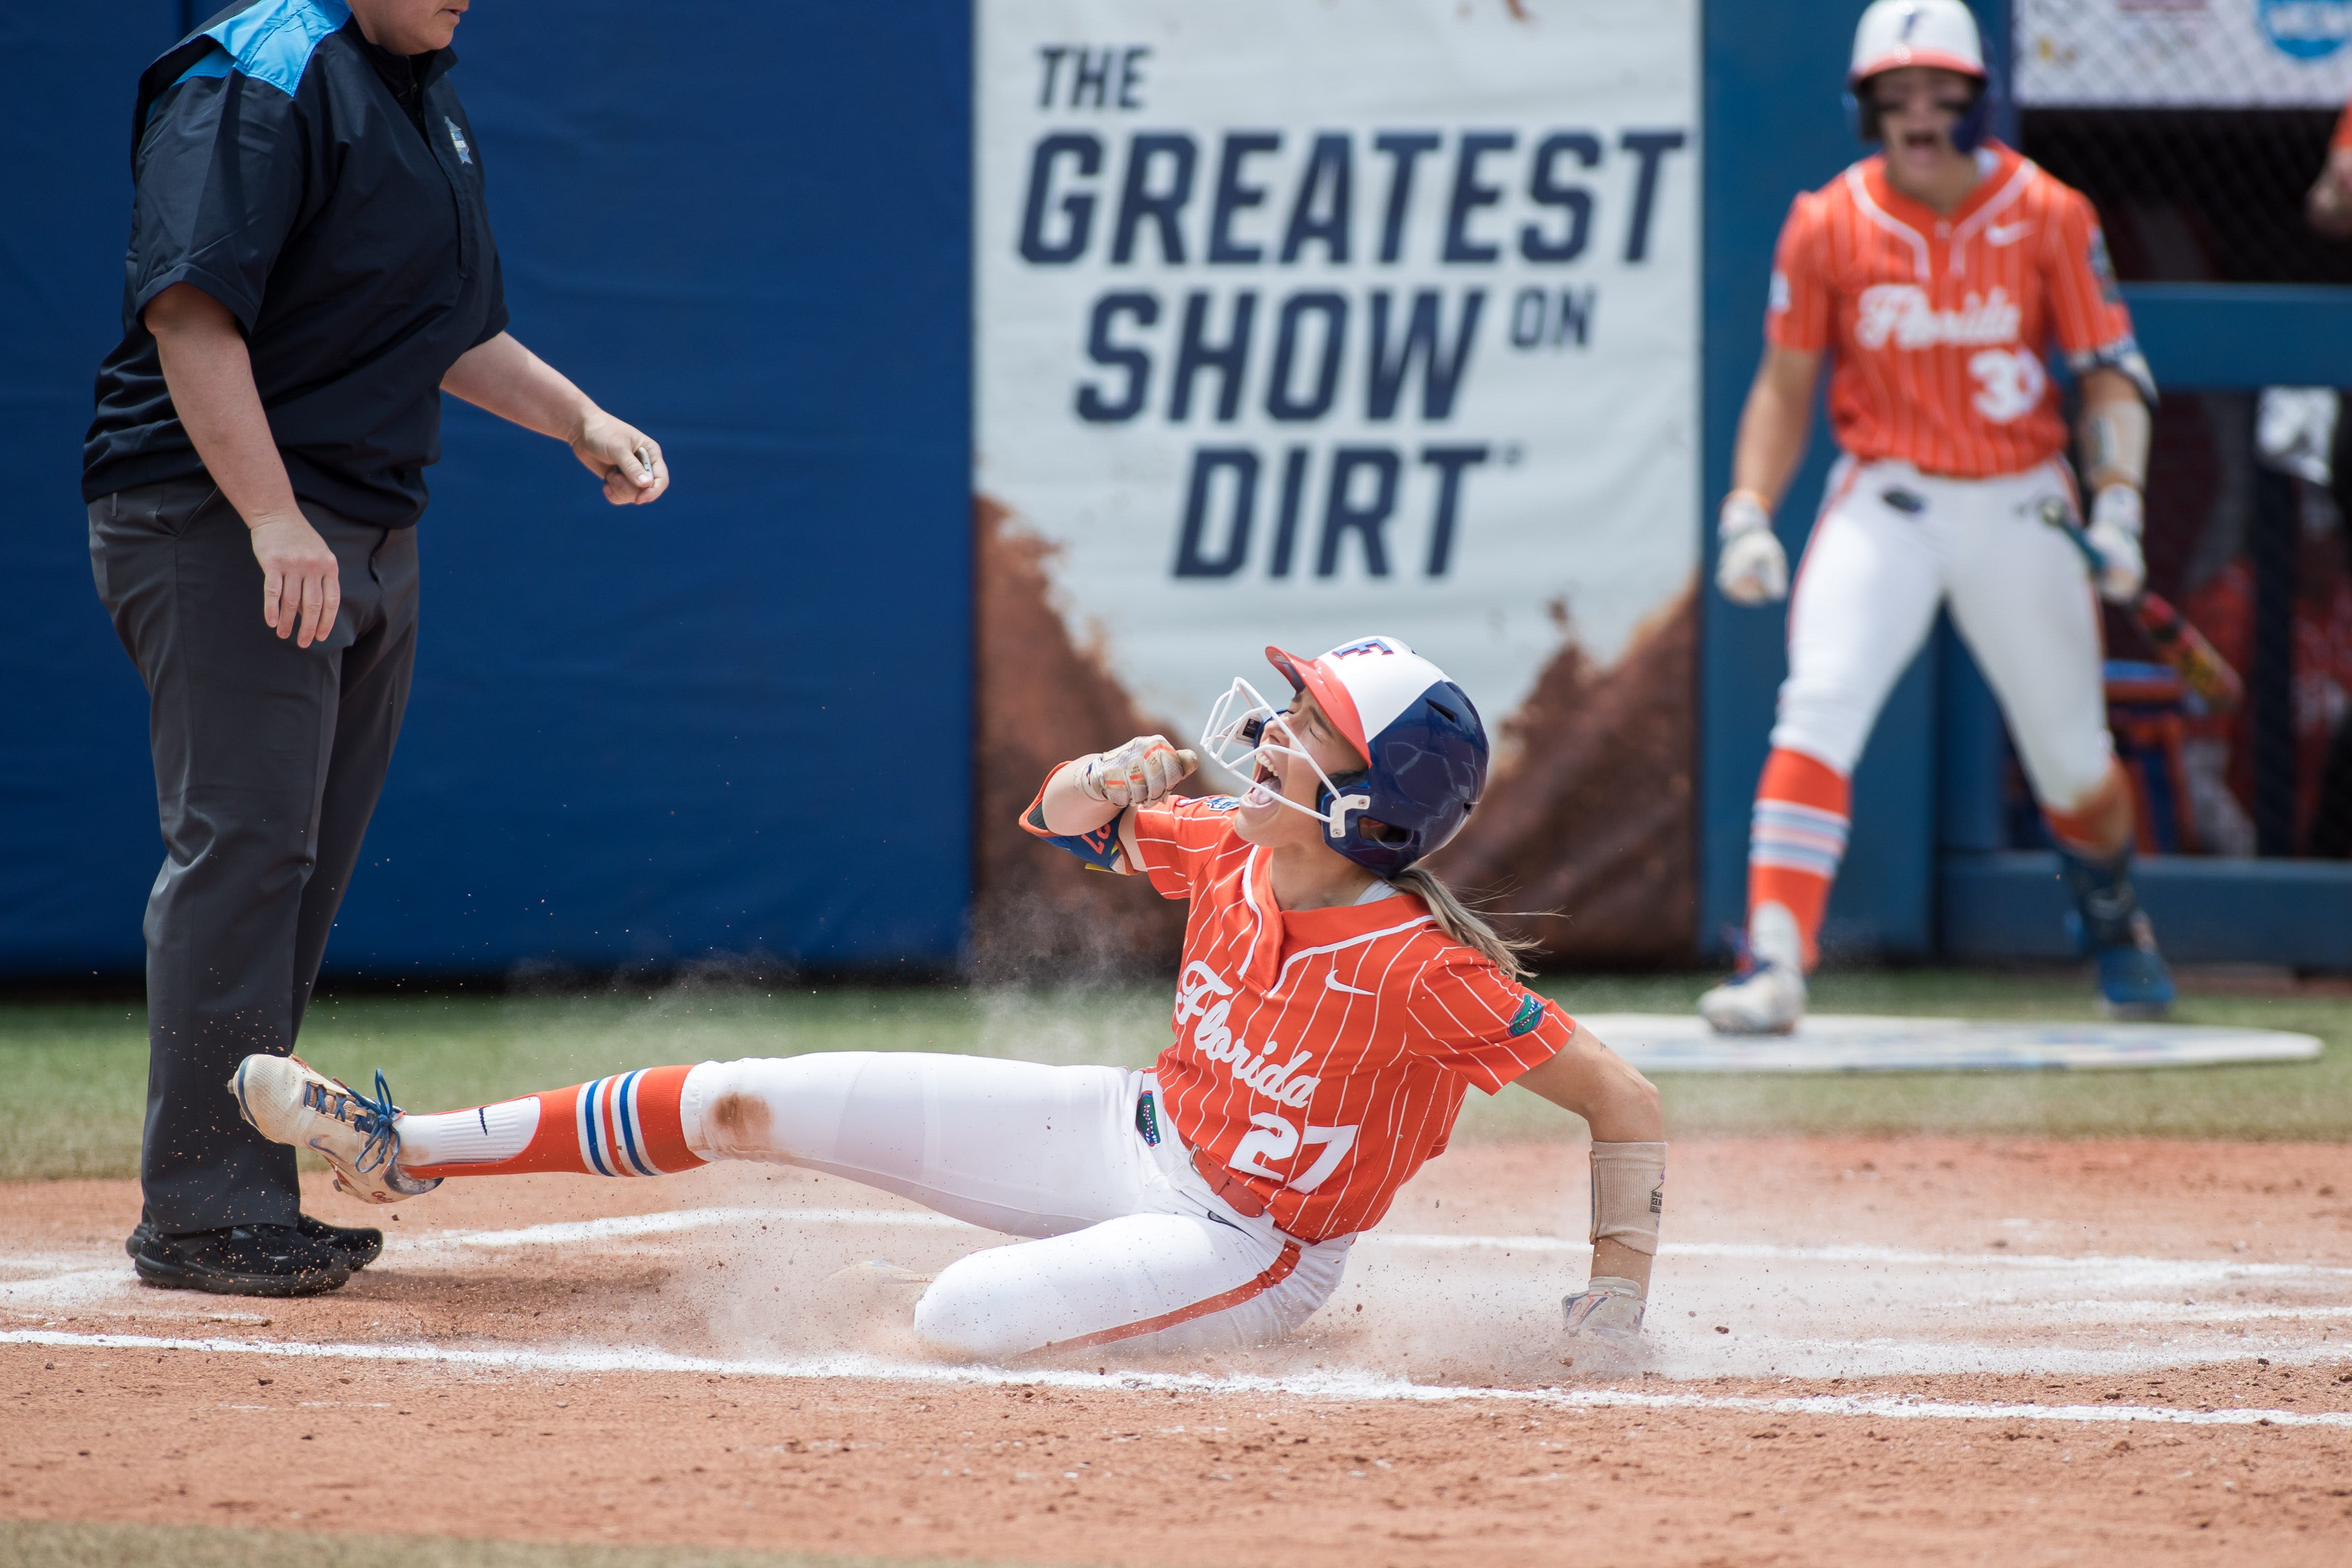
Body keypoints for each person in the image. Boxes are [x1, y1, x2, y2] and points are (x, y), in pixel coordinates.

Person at [228, 637, 1668, 1356]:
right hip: (1133, 1132)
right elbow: (1052, 816)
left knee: (956, 1321)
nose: (1271, 734)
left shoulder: (1422, 967)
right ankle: (403, 1145)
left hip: (1252, 1241)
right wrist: (1099, 779)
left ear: (1365, 806)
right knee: (746, 1093)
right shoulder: (1233, 848)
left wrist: (1616, 1300)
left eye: (1306, 731)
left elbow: (1621, 1097)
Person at [84, 0, 670, 1298]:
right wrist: (273, 519)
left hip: (361, 522)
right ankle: (200, 1207)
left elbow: (446, 328)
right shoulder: (261, 69)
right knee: (244, 845)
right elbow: (190, 312)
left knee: (302, 859)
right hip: (226, 515)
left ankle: (242, 1185)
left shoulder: (420, 93)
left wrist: (578, 419)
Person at [1699, 0, 2172, 1034]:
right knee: (1817, 701)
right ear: (1864, 106)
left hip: (2021, 501)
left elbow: (2109, 376)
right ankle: (1773, 957)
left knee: (2072, 762)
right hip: (1888, 499)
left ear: (1977, 98)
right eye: (1895, 96)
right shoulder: (1826, 219)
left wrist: (2122, 505)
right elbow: (1784, 385)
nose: (1918, 114)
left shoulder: (2049, 210)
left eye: (1940, 93)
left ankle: (2109, 909)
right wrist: (1748, 509)